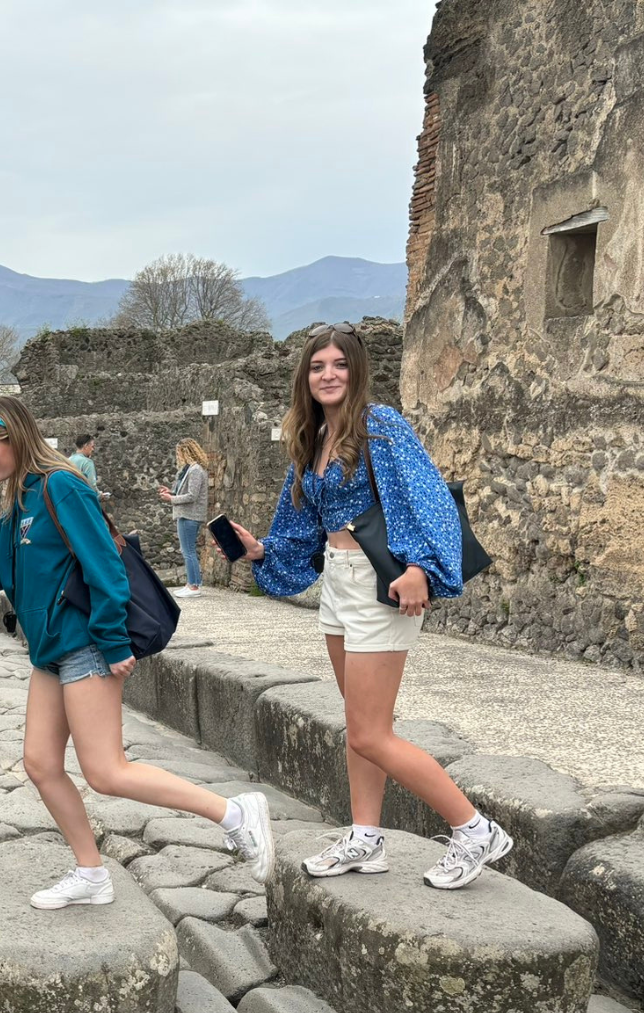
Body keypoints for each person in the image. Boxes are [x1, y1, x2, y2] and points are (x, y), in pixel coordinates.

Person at [0, 396, 273, 909]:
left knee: (106, 771)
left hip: (86, 644)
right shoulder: (18, 506)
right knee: (41, 763)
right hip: (50, 652)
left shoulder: (62, 487)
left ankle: (234, 813)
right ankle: (90, 872)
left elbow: (106, 566)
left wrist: (113, 641)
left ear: (14, 439)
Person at [228, 321, 509, 890]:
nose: (328, 375)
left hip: (379, 583)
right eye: (317, 366)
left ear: (356, 373)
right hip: (337, 582)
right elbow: (301, 526)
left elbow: (427, 497)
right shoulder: (312, 440)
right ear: (303, 377)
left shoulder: (380, 427)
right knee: (360, 725)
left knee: (370, 734)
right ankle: (366, 837)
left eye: (339, 365)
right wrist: (260, 549)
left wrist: (419, 568)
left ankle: (476, 829)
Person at [158, 438, 211, 600]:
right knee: (187, 550)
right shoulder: (191, 470)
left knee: (188, 551)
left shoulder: (195, 470)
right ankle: (191, 584)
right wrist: (171, 492)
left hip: (190, 515)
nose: (178, 456)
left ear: (185, 452)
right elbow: (185, 492)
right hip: (186, 514)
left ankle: (194, 585)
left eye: (179, 452)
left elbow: (192, 496)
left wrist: (171, 499)